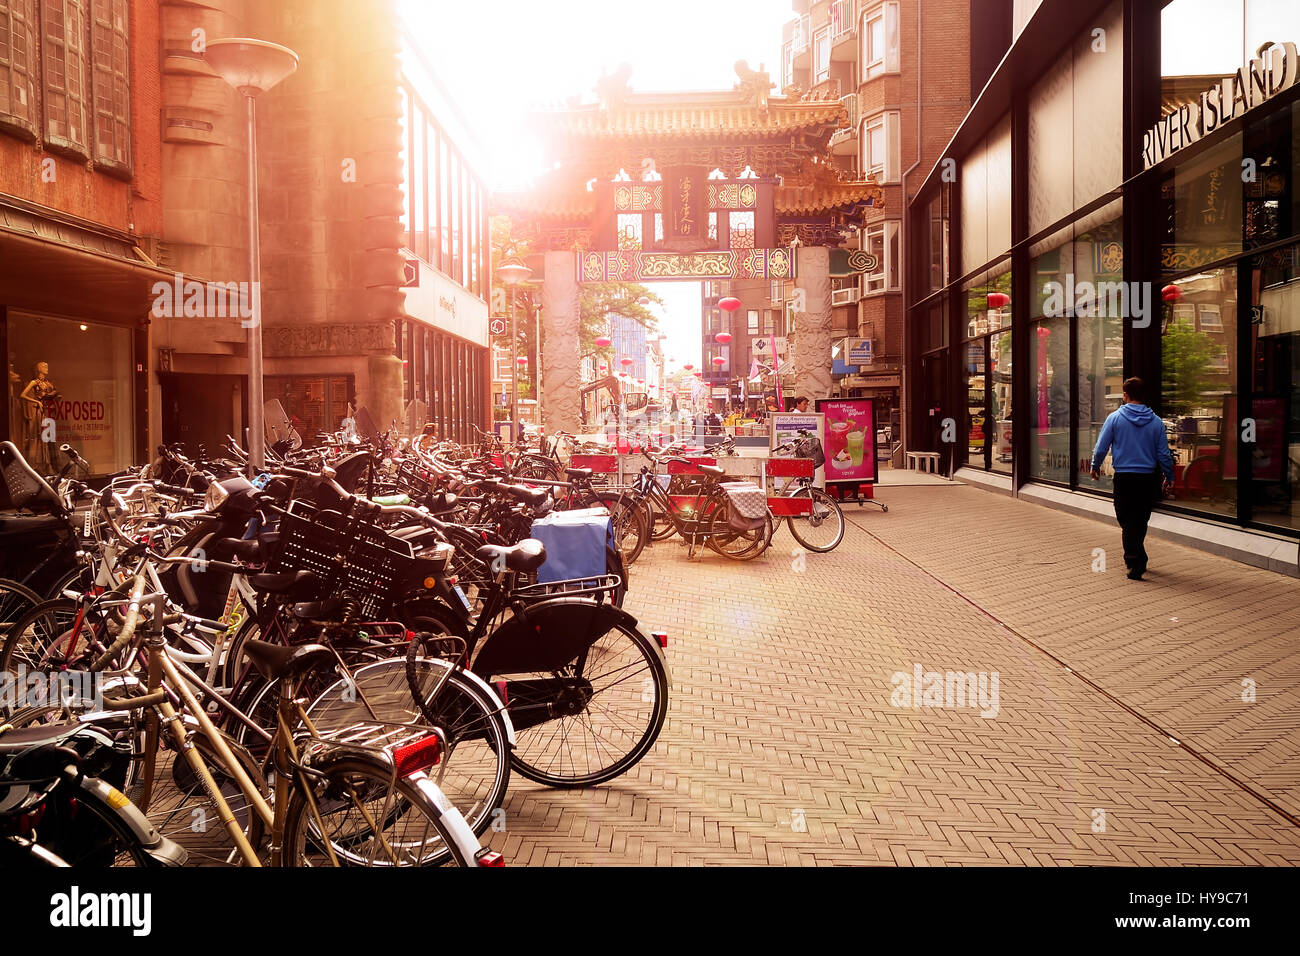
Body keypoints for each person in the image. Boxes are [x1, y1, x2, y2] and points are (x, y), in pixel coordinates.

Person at [1089, 377, 1175, 580]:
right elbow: (1163, 453)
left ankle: (1135, 561)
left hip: (1124, 477)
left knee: (1126, 518)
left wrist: (1095, 465)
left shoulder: (1115, 418)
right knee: (1139, 519)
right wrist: (1169, 475)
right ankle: (1138, 556)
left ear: (1125, 395)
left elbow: (1102, 446)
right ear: (1143, 396)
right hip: (1147, 479)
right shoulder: (1155, 422)